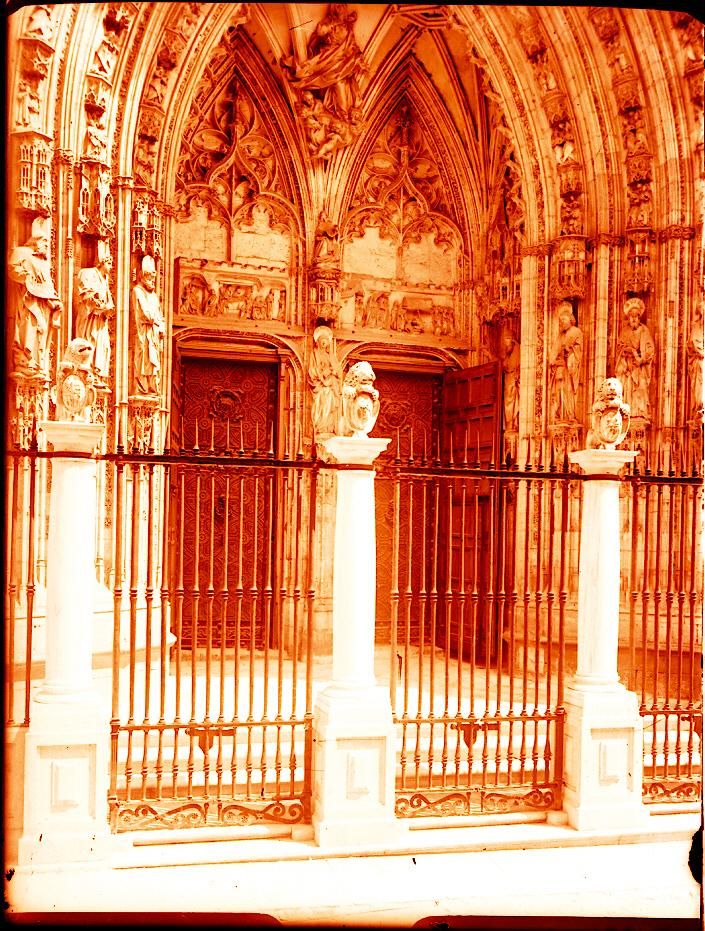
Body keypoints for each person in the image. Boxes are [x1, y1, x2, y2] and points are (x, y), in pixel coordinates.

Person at [8, 216, 62, 376]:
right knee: (29, 329)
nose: (47, 245)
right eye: (44, 241)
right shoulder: (21, 252)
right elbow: (12, 268)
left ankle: (37, 364)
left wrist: (56, 301)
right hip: (27, 302)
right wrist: (27, 278)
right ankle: (25, 363)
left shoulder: (43, 263)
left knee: (42, 330)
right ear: (35, 240)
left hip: (43, 305)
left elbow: (49, 286)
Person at [75, 240, 114, 384]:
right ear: (101, 262)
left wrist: (107, 309)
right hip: (90, 319)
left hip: (100, 322)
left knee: (103, 347)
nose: (111, 266)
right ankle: (87, 374)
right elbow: (84, 293)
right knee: (90, 342)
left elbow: (109, 303)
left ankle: (97, 376)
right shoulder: (88, 273)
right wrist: (96, 303)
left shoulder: (105, 281)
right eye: (109, 263)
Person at [615, 297, 655, 419]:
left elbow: (650, 349)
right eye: (631, 316)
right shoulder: (624, 332)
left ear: (639, 317)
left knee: (641, 387)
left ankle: (640, 412)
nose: (633, 319)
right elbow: (619, 348)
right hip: (628, 367)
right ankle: (628, 413)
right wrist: (629, 352)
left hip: (640, 368)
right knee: (627, 389)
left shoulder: (644, 331)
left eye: (636, 316)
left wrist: (641, 359)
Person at [131, 254, 165, 395]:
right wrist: (156, 320)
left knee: (153, 361)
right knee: (144, 359)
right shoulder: (137, 291)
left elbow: (160, 316)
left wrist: (160, 325)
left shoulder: (154, 296)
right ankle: (142, 388)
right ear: (143, 277)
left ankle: (152, 387)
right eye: (150, 278)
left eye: (153, 278)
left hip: (154, 335)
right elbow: (147, 315)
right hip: (144, 334)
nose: (152, 281)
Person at [548, 302, 583, 423]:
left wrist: (569, 352)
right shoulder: (560, 336)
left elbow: (578, 350)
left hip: (569, 370)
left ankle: (570, 416)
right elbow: (553, 354)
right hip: (560, 370)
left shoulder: (576, 332)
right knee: (558, 392)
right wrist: (554, 361)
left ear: (570, 319)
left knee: (568, 391)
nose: (561, 322)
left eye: (564, 319)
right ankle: (559, 416)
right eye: (560, 320)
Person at [308, 325, 343, 437]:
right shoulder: (314, 353)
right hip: (321, 386)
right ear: (317, 341)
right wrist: (322, 374)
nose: (324, 342)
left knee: (331, 406)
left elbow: (338, 371)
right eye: (321, 340)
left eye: (326, 340)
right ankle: (321, 428)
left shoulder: (330, 356)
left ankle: (329, 428)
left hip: (331, 386)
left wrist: (332, 371)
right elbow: (312, 370)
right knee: (323, 406)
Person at [501, 333, 521, 432]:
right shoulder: (507, 354)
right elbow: (503, 365)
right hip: (508, 378)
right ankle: (510, 424)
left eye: (508, 338)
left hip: (514, 379)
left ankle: (513, 423)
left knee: (514, 399)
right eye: (505, 339)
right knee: (508, 400)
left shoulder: (517, 350)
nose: (506, 341)